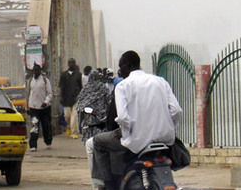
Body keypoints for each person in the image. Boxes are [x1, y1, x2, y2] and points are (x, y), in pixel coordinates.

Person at [91, 50, 182, 189]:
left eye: (121, 67)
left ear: (127, 65)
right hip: (164, 139)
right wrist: (169, 128)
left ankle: (107, 185)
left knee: (97, 142)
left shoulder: (123, 86)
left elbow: (123, 117)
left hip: (137, 140)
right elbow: (176, 110)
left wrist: (125, 132)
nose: (120, 71)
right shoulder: (160, 81)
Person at [76, 70, 110, 142]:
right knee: (100, 137)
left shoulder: (86, 88)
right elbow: (109, 100)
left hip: (89, 117)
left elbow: (80, 102)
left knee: (89, 136)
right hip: (101, 116)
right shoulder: (103, 87)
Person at [25, 64, 53, 151]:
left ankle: (48, 140)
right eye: (34, 70)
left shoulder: (45, 80)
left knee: (46, 126)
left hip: (45, 108)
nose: (35, 72)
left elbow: (50, 93)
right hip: (34, 108)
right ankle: (33, 145)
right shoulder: (30, 81)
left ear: (40, 71)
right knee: (34, 127)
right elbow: (28, 95)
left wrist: (46, 102)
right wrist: (27, 107)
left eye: (37, 70)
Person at [59, 58, 82, 138]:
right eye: (70, 63)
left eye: (73, 62)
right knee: (67, 116)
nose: (71, 64)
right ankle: (68, 126)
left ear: (75, 63)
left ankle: (74, 133)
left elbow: (80, 86)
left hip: (76, 97)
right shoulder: (63, 75)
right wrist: (60, 96)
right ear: (68, 64)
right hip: (66, 98)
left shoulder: (78, 74)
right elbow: (61, 87)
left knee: (74, 116)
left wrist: (81, 96)